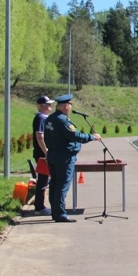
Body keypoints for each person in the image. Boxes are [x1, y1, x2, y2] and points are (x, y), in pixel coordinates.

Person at [44, 94, 101, 223]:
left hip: (53, 155)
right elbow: (75, 136)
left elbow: (47, 137)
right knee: (62, 185)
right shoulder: (62, 121)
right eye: (70, 104)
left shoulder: (50, 119)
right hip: (64, 157)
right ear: (66, 106)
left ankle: (55, 211)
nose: (70, 107)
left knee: (54, 184)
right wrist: (92, 137)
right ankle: (60, 214)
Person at [31, 95, 54, 216]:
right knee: (43, 180)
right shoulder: (40, 118)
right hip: (42, 154)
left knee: (45, 179)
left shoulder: (46, 117)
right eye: (47, 104)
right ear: (40, 106)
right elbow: (40, 137)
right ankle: (39, 207)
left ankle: (40, 205)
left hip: (45, 153)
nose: (50, 106)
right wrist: (46, 152)